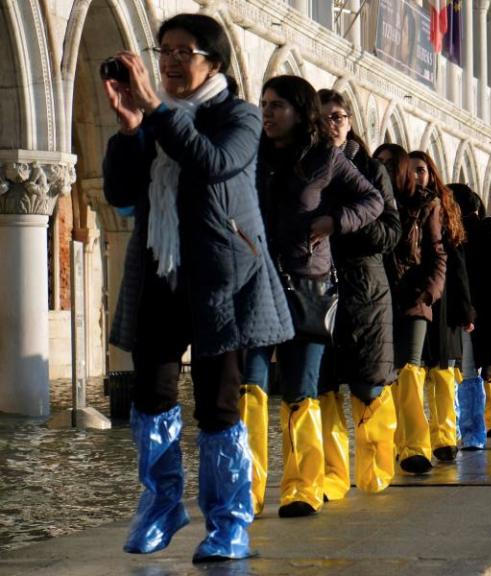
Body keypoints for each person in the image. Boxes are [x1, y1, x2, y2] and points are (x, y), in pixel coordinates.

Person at [102, 14, 294, 562]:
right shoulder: (154, 119)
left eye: (184, 51)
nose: (169, 61)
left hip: (221, 276)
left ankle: (229, 521)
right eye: (164, 50)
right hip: (160, 269)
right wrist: (128, 128)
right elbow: (119, 190)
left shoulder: (241, 116)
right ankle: (162, 502)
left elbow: (213, 164)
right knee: (151, 393)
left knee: (218, 402)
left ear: (214, 61)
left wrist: (158, 114)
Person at [248, 76, 385, 518]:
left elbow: (373, 200)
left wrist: (334, 221)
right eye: (264, 104)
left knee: (300, 388)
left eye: (278, 105)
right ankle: (244, 493)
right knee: (250, 387)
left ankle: (302, 487)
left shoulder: (325, 157)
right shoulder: (251, 154)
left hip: (308, 283)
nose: (267, 112)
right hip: (257, 282)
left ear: (300, 110)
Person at [316, 88, 402, 497]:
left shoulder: (371, 169)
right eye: (322, 117)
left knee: (369, 385)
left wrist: (344, 221)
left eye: (337, 116)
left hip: (365, 288)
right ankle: (331, 478)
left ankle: (375, 475)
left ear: (350, 122)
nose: (330, 124)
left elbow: (391, 233)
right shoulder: (306, 167)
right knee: (324, 386)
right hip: (318, 289)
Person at [373, 143, 447, 475]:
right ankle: (391, 446)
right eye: (380, 163)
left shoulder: (425, 204)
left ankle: (415, 447)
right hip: (378, 299)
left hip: (414, 299)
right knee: (386, 375)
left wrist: (428, 294)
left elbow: (437, 254)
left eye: (391, 163)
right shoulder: (370, 201)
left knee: (409, 370)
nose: (385, 168)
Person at [409, 151, 473, 463]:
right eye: (411, 171)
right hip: (415, 298)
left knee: (443, 370)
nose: (416, 176)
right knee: (416, 371)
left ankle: (445, 438)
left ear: (431, 173)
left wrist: (465, 309)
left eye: (421, 170)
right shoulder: (404, 206)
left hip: (443, 300)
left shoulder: (444, 210)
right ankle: (415, 442)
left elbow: (456, 263)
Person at [454, 184, 491, 444]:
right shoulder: (481, 234)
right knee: (476, 369)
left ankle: (472, 430)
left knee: (470, 369)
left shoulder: (469, 234)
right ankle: (475, 430)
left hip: (473, 314)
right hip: (481, 313)